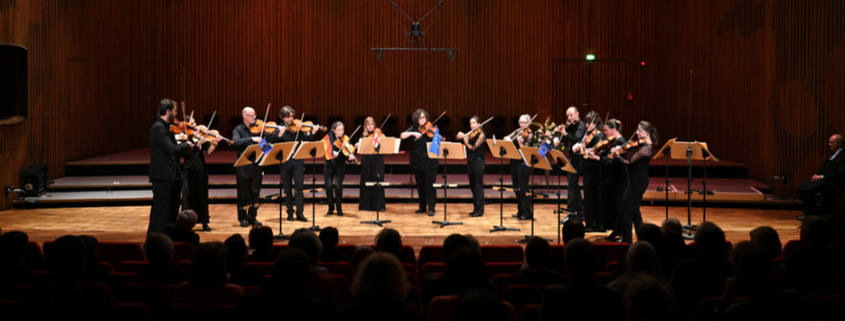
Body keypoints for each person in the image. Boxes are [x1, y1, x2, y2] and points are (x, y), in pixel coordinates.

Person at [148, 99, 192, 234]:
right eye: (175, 111)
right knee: (161, 212)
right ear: (168, 112)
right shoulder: (158, 128)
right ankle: (155, 240)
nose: (176, 114)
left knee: (172, 212)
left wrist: (194, 146)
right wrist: (186, 145)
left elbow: (177, 151)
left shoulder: (167, 127)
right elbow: (172, 149)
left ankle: (168, 239)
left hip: (172, 176)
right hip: (163, 177)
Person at [612, 121, 658, 243]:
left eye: (640, 131)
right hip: (638, 180)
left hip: (638, 181)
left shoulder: (645, 149)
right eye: (637, 130)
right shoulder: (643, 145)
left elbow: (629, 163)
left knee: (625, 210)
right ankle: (643, 239)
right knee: (634, 211)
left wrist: (618, 156)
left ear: (647, 133)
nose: (637, 133)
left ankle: (627, 241)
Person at [277, 106, 319, 222]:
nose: (292, 119)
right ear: (282, 118)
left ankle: (300, 213)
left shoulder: (298, 127)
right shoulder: (279, 129)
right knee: (287, 189)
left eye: (292, 116)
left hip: (298, 161)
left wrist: (313, 133)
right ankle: (290, 212)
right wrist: (279, 135)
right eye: (289, 117)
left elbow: (306, 140)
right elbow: (272, 143)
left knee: (299, 188)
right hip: (284, 162)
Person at [181, 114, 222, 232]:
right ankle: (187, 223)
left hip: (201, 169)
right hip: (188, 170)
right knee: (189, 197)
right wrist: (197, 145)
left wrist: (214, 143)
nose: (195, 125)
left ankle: (204, 221)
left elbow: (208, 151)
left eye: (195, 123)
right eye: (192, 124)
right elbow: (184, 154)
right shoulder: (184, 138)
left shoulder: (199, 135)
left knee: (202, 196)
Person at [232, 106, 270, 227]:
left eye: (255, 115)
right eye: (252, 115)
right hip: (243, 166)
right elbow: (236, 142)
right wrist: (251, 139)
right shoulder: (238, 129)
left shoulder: (258, 129)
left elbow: (266, 148)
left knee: (255, 193)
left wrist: (266, 141)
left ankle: (252, 217)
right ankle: (242, 218)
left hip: (257, 165)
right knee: (243, 193)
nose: (255, 117)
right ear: (245, 116)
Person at [589, 119, 627, 240]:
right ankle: (616, 230)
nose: (604, 133)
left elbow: (610, 162)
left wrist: (595, 157)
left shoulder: (620, 142)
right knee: (613, 206)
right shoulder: (613, 141)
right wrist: (597, 152)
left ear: (613, 130)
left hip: (618, 179)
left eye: (606, 130)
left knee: (619, 206)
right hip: (612, 178)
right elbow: (606, 154)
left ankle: (622, 233)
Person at [795, 134, 845, 219]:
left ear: (839, 143)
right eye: (829, 142)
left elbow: (839, 174)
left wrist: (821, 177)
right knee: (799, 189)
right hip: (824, 180)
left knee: (808, 190)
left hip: (833, 183)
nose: (829, 144)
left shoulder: (843, 156)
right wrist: (816, 175)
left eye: (832, 143)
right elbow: (823, 168)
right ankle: (815, 210)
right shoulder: (831, 154)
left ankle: (809, 213)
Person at [400, 109, 439, 217]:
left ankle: (431, 208)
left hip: (430, 162)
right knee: (420, 185)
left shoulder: (432, 128)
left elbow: (437, 141)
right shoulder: (413, 128)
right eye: (420, 118)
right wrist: (413, 133)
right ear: (416, 119)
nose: (422, 120)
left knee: (430, 185)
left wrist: (438, 137)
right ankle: (422, 206)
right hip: (417, 161)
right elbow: (402, 135)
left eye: (424, 117)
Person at [572, 111, 605, 231]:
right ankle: (590, 223)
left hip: (595, 170)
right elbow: (584, 146)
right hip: (588, 169)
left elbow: (599, 151)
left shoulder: (599, 135)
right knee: (588, 196)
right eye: (586, 123)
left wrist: (585, 149)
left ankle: (595, 224)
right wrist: (579, 146)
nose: (587, 125)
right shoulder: (588, 134)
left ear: (596, 123)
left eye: (590, 123)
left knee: (593, 197)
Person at [556, 106, 586, 221]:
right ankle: (581, 211)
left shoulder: (581, 126)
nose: (569, 117)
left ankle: (571, 213)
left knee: (571, 186)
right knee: (573, 185)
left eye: (571, 115)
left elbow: (576, 139)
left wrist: (565, 134)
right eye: (568, 115)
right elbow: (564, 138)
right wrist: (559, 136)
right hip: (571, 157)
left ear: (577, 114)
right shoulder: (571, 126)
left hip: (577, 159)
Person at [457, 115, 488, 217]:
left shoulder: (482, 134)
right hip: (470, 162)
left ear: (479, 124)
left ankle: (479, 210)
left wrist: (466, 143)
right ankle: (476, 209)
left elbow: (474, 148)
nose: (471, 125)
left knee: (478, 187)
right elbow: (459, 138)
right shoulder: (471, 134)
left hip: (478, 162)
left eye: (474, 123)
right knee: (473, 187)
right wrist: (460, 135)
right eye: (470, 123)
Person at [323, 121, 355, 216]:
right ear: (334, 130)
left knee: (338, 186)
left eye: (342, 130)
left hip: (340, 166)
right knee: (328, 186)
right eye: (339, 130)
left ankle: (339, 209)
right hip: (329, 166)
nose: (341, 132)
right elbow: (325, 149)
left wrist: (349, 159)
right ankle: (331, 208)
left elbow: (346, 153)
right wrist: (332, 153)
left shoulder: (345, 139)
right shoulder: (328, 138)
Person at [506, 114, 534, 220]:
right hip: (514, 162)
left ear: (528, 123)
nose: (521, 124)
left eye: (524, 122)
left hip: (523, 164)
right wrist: (507, 139)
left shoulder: (530, 134)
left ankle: (527, 212)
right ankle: (520, 211)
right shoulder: (518, 131)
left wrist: (520, 143)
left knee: (523, 189)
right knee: (516, 188)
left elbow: (525, 150)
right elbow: (507, 137)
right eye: (520, 122)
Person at [356, 117, 386, 212]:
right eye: (368, 124)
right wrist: (357, 145)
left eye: (372, 124)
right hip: (367, 161)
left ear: (374, 125)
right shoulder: (363, 136)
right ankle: (366, 206)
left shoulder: (378, 133)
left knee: (378, 181)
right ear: (365, 126)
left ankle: (379, 205)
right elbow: (358, 146)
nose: (370, 126)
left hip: (377, 160)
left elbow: (385, 143)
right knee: (367, 180)